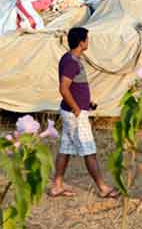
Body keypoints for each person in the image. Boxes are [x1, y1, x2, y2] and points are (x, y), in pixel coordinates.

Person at [50, 27, 117, 198]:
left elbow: (74, 87)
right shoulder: (71, 62)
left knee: (65, 148)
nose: (88, 41)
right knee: (89, 150)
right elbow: (64, 88)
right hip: (74, 114)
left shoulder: (70, 59)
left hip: (72, 111)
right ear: (81, 42)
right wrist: (78, 109)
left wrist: (86, 103)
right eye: (87, 39)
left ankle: (57, 186)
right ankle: (102, 188)